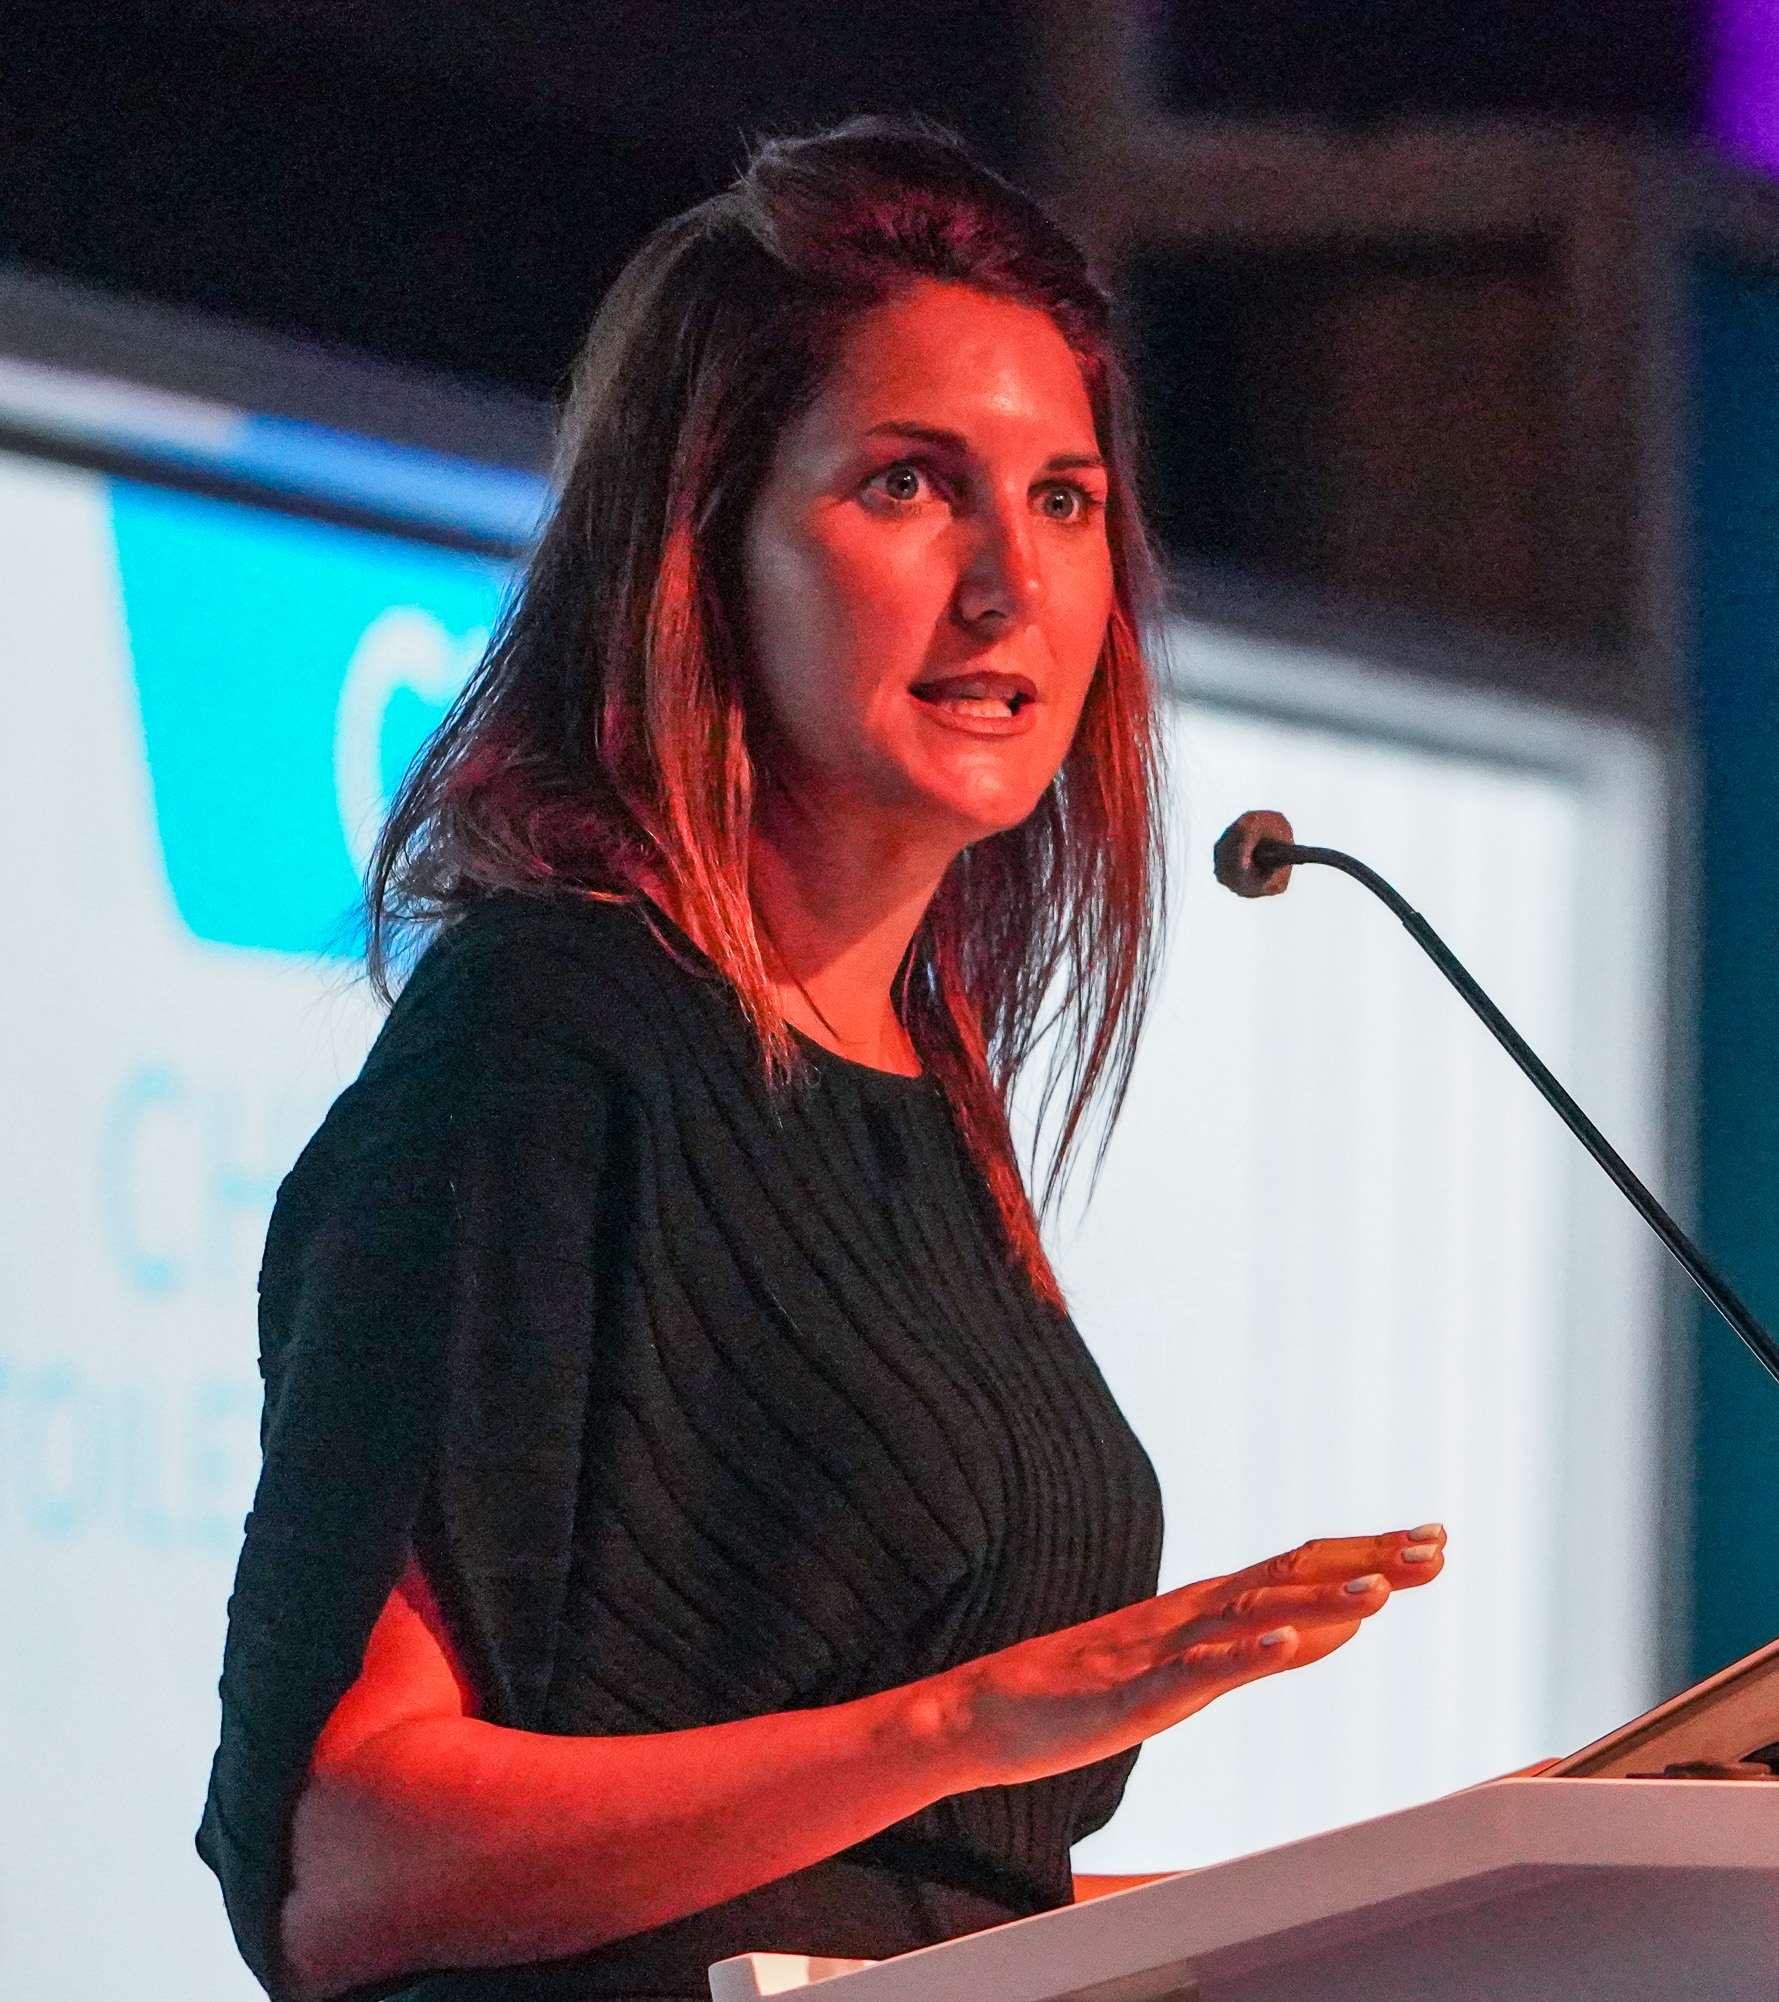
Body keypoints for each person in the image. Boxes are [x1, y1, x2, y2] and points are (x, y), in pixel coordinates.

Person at [198, 117, 1446, 2002]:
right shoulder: (545, 1040)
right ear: (700, 548)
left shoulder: (938, 1095)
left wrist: (1453, 1884)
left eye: (1063, 501)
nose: (1010, 587)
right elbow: (341, 1860)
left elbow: (924, 1897)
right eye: (909, 484)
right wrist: (963, 1720)